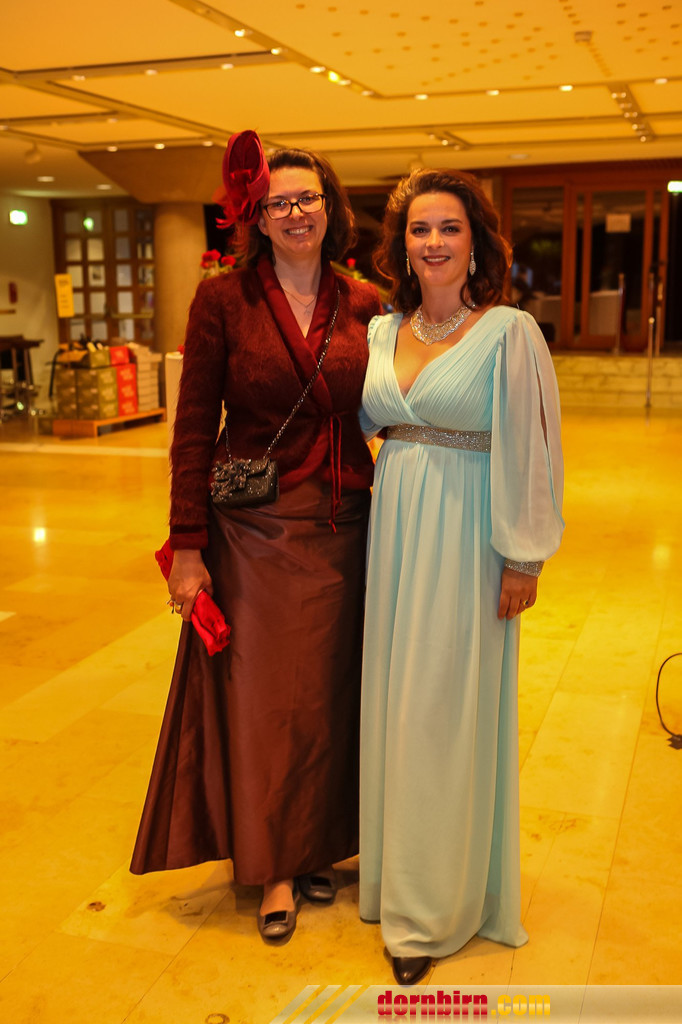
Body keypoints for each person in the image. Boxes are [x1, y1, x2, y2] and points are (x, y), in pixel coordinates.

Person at [131, 131, 382, 943]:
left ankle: (316, 844)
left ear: (331, 207)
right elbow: (192, 428)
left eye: (308, 197)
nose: (296, 212)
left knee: (330, 698)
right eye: (279, 202)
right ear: (257, 216)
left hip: (344, 525)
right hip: (253, 531)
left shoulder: (366, 303)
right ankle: (274, 863)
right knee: (269, 702)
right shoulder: (223, 301)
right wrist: (188, 547)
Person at [358, 168, 564, 985]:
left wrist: (522, 554)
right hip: (394, 541)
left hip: (466, 540)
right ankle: (395, 881)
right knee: (395, 708)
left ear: (476, 241)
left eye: (449, 227)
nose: (434, 241)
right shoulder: (381, 331)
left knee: (441, 716)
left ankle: (430, 911)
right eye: (420, 228)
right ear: (401, 245)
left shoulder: (509, 331)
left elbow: (533, 446)